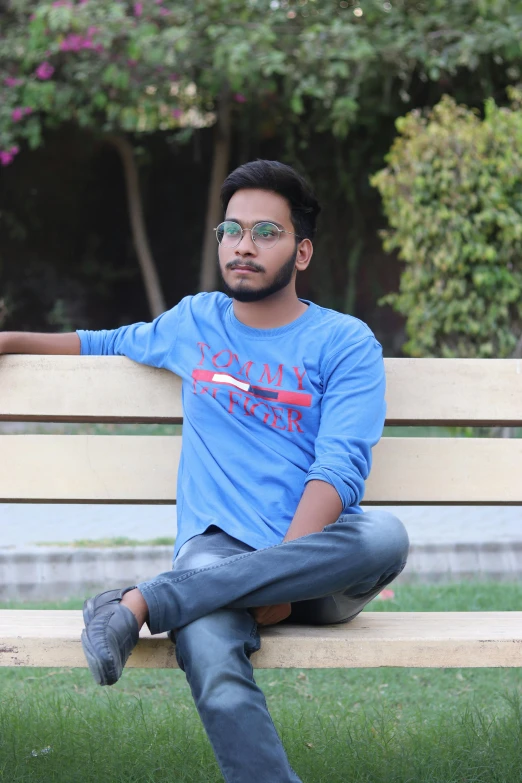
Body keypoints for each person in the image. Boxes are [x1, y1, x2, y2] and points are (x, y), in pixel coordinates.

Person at [0, 160, 409, 783]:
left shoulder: (344, 342)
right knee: (209, 654)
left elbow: (339, 468)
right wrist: (9, 341)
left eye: (265, 232)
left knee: (386, 537)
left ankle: (139, 602)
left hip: (319, 561)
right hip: (214, 553)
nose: (243, 246)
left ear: (301, 252)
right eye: (231, 230)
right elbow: (105, 343)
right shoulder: (195, 322)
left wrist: (281, 583)